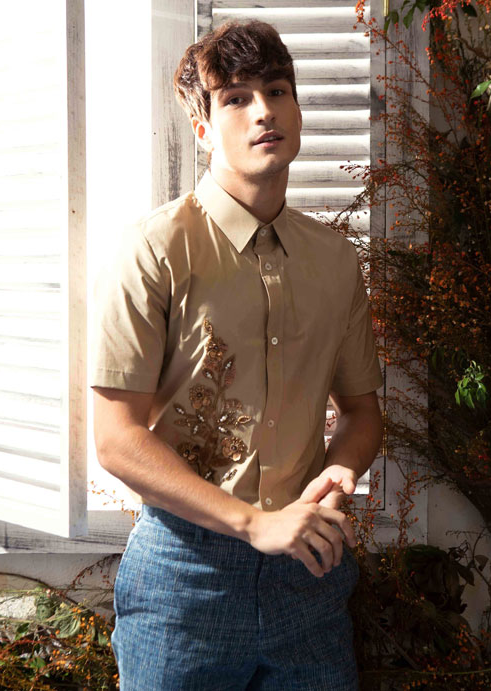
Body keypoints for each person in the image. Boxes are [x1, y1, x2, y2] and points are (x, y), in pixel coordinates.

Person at [91, 18, 383, 691]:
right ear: (202, 128)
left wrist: (337, 475)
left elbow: (362, 413)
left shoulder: (336, 260)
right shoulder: (154, 249)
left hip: (309, 578)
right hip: (183, 580)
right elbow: (115, 438)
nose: (264, 111)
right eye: (236, 98)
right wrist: (254, 525)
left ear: (298, 112)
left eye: (277, 91)